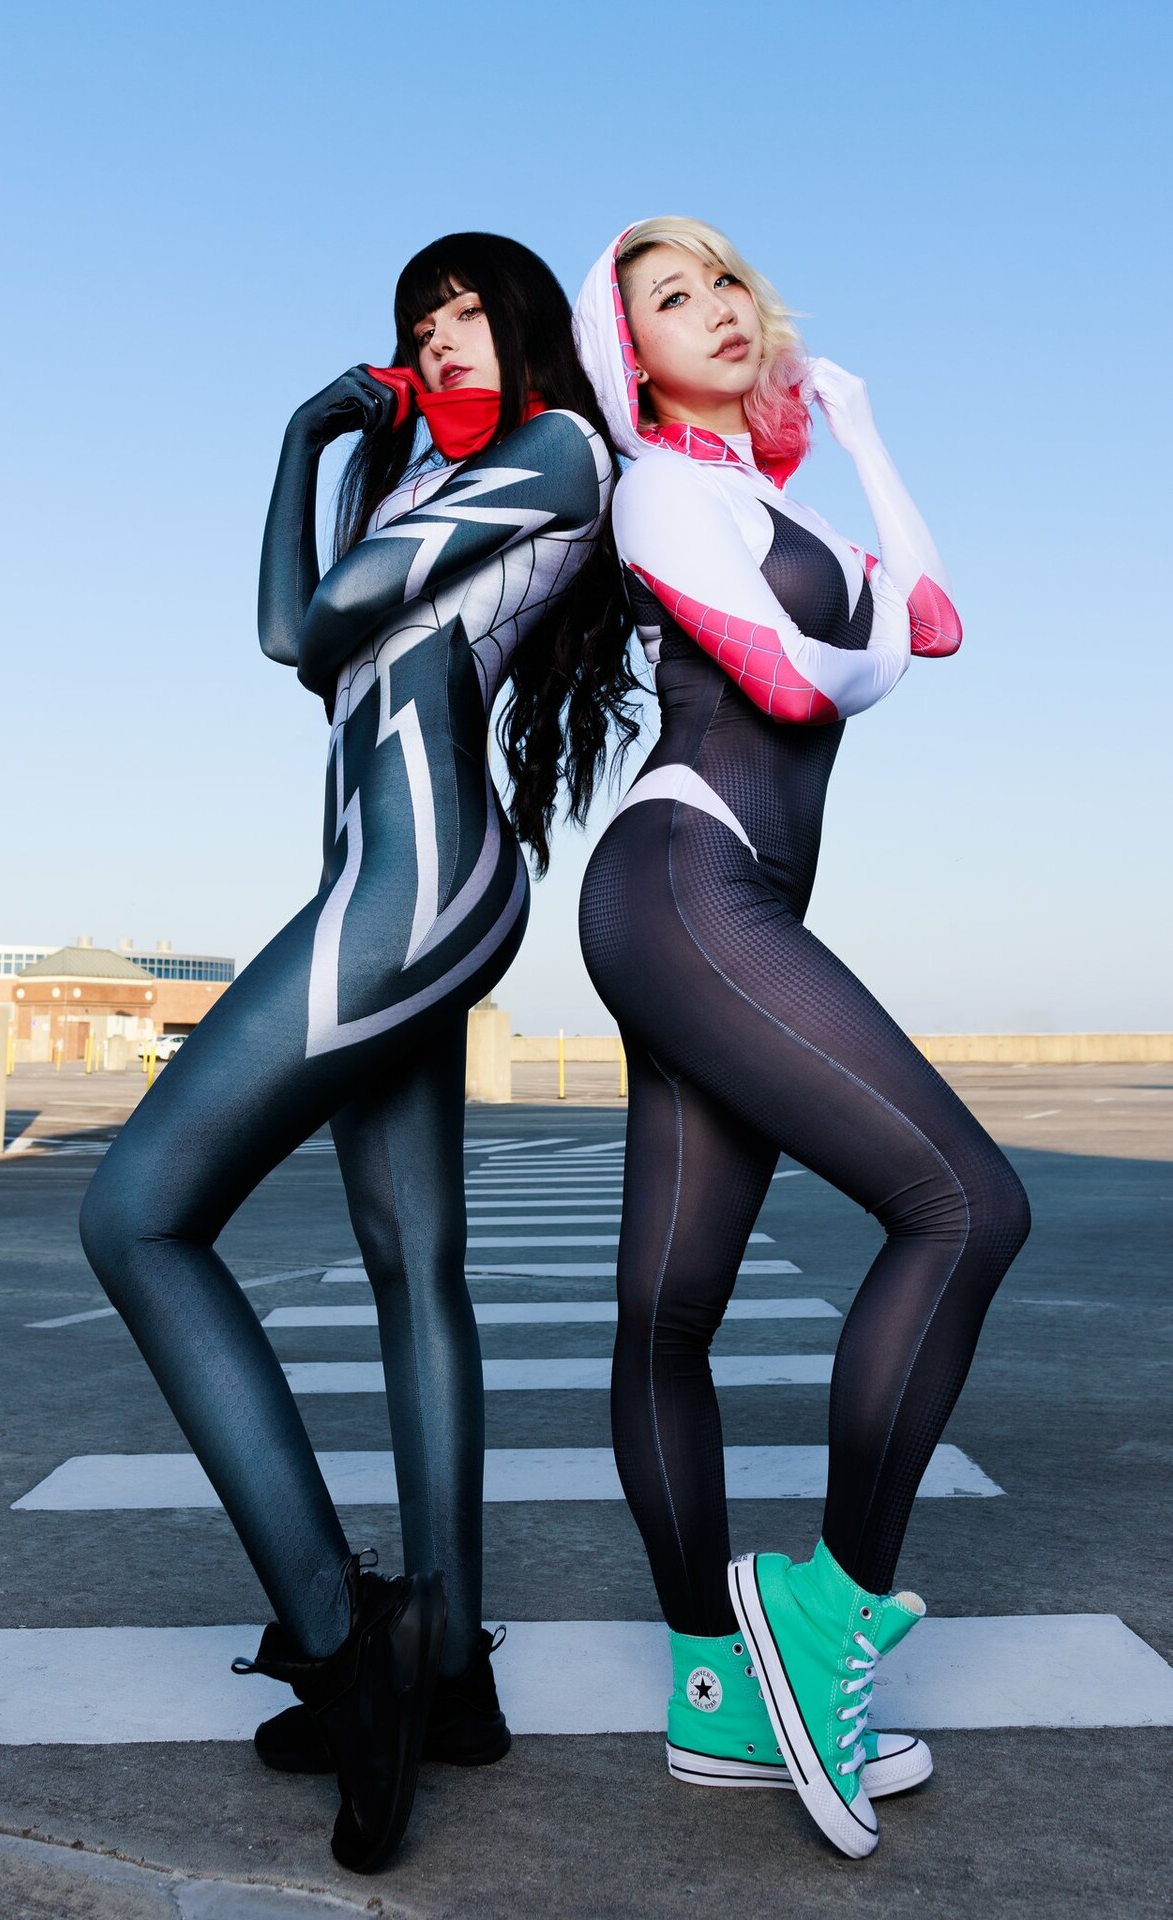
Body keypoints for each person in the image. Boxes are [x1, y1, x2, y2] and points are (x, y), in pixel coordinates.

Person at [79, 231, 635, 1874]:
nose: (442, 338)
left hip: (417, 887)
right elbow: (291, 633)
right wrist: (306, 442)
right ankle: (445, 1672)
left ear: (524, 329)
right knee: (410, 1265)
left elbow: (322, 617)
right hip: (379, 880)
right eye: (419, 321)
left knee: (135, 1215)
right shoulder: (432, 483)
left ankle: (345, 1640)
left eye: (468, 313)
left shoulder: (556, 450)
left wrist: (333, 443)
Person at [573, 218, 1030, 1858]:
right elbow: (785, 685)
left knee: (669, 1309)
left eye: (723, 283)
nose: (713, 308)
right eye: (668, 296)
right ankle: (828, 1606)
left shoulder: (778, 502)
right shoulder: (657, 489)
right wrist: (871, 642)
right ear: (626, 354)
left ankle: (713, 1688)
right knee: (967, 1206)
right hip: (686, 878)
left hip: (720, 897)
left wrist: (858, 430)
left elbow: (937, 618)